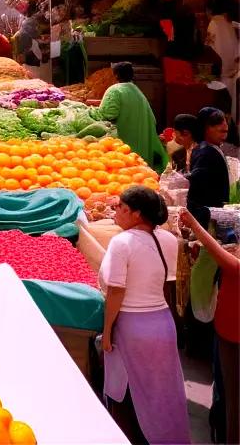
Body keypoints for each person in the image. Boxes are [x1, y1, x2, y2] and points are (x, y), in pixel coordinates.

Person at [99, 185, 190, 445]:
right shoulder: (169, 239)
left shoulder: (121, 242)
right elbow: (166, 285)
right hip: (162, 323)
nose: (115, 211)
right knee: (163, 394)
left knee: (127, 394)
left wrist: (107, 332)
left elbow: (116, 292)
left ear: (137, 214)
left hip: (132, 326)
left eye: (121, 208)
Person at [179, 209, 239, 445]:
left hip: (232, 337)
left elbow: (214, 249)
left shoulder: (235, 267)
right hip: (227, 333)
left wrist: (193, 222)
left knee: (233, 401)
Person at [87, 62, 167, 172]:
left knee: (126, 169)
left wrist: (91, 110)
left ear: (115, 75)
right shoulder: (136, 90)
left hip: (125, 142)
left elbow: (108, 114)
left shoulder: (115, 90)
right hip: (141, 141)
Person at [187, 106, 230, 227]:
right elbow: (196, 178)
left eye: (226, 132)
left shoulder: (210, 148)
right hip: (206, 214)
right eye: (221, 131)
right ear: (206, 129)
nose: (224, 136)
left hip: (212, 210)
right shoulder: (205, 151)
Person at [206, 0, 238, 116]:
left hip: (221, 80)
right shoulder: (230, 22)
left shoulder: (214, 23)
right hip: (233, 77)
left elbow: (210, 52)